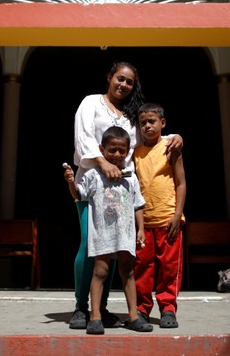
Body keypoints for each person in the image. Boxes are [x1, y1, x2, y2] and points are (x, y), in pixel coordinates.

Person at [64, 61, 182, 330]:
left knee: (116, 253)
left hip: (121, 190)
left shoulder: (130, 114)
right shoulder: (91, 103)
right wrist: (103, 163)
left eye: (129, 82)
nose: (124, 85)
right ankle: (81, 307)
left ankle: (102, 309)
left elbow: (148, 136)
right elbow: (82, 138)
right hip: (92, 186)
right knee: (89, 246)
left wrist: (177, 136)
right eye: (120, 78)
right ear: (109, 77)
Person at [64, 127, 153, 335]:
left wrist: (141, 229)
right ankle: (95, 316)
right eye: (112, 150)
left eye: (122, 151)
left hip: (126, 235)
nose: (117, 155)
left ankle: (133, 315)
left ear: (128, 151)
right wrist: (70, 181)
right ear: (102, 149)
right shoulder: (94, 175)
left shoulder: (130, 178)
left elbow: (138, 205)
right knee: (100, 271)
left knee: (128, 272)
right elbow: (79, 194)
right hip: (103, 235)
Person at [133, 102, 186, 329]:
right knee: (142, 267)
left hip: (167, 220)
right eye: (143, 122)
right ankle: (142, 309)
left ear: (162, 123)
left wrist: (177, 215)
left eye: (152, 121)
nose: (147, 126)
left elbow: (181, 184)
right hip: (144, 223)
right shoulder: (135, 153)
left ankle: (168, 308)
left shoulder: (170, 148)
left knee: (169, 267)